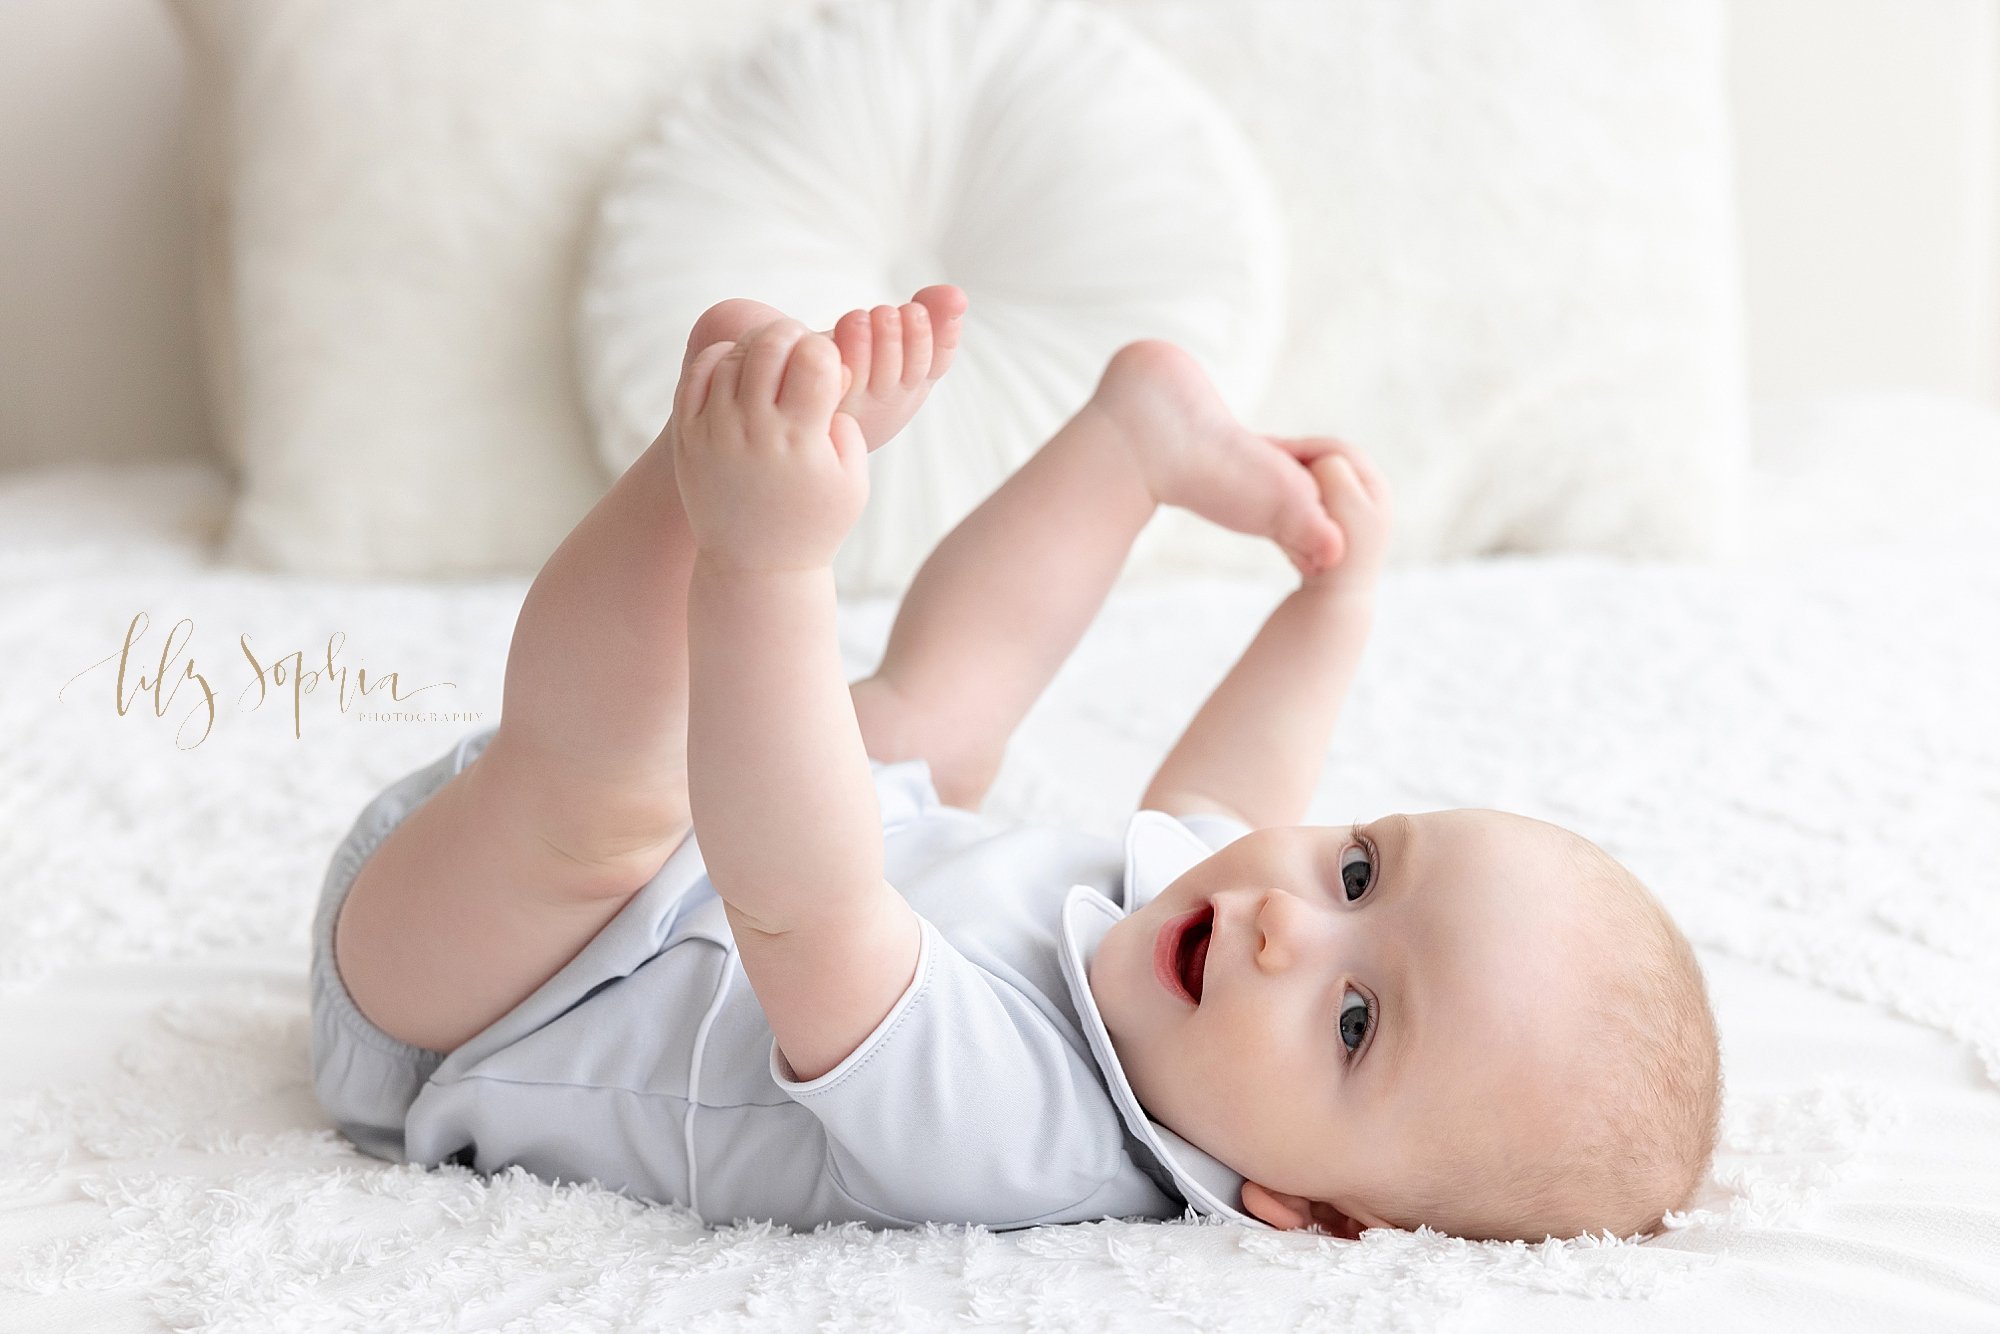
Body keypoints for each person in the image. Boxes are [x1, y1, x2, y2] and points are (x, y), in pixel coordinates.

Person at [311, 286, 1722, 1240]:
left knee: (605, 804)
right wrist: (1330, 601)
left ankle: (702, 492)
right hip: (731, 823)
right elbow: (1237, 795)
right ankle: (1130, 445)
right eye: (1361, 865)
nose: (1298, 919)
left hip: (472, 991)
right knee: (932, 723)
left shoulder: (1026, 1135)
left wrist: (770, 565)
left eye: (1356, 1022)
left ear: (1305, 1208)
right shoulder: (1213, 953)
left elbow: (804, 904)